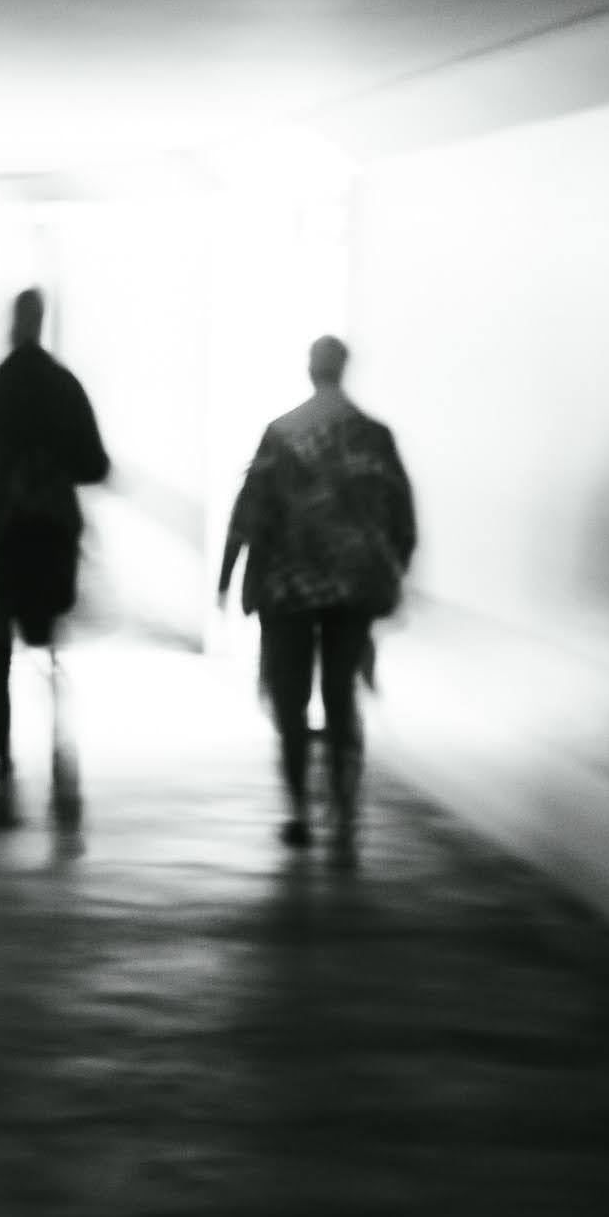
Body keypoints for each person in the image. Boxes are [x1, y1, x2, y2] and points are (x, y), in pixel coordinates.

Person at [218, 335, 416, 860]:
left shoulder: (281, 433)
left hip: (288, 590)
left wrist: (225, 578)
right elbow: (402, 517)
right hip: (354, 589)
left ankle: (300, 812)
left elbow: (249, 512)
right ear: (344, 369)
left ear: (311, 370)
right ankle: (345, 813)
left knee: (290, 696)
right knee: (340, 693)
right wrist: (392, 574)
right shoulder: (375, 437)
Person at [0, 288, 109, 826]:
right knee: (51, 648)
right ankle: (61, 747)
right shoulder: (66, 387)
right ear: (43, 324)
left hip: (1, 537)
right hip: (52, 538)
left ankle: (2, 760)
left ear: (12, 323)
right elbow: (95, 465)